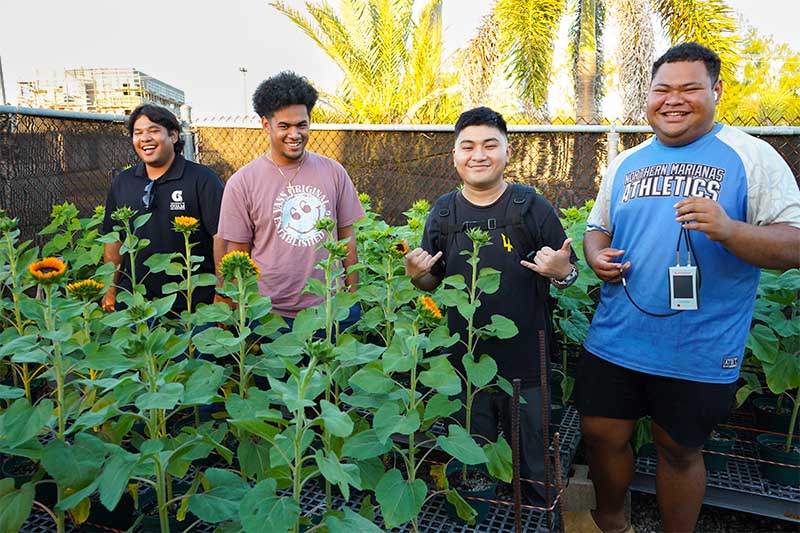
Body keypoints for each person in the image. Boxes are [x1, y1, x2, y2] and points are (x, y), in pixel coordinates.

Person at [573, 42, 800, 533]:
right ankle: (611, 523)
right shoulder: (626, 162)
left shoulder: (751, 156)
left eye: (690, 88)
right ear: (648, 96)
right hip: (617, 335)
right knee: (602, 434)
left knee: (679, 449)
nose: (673, 100)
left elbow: (794, 244)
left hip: (698, 346)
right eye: (662, 89)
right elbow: (598, 225)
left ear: (716, 91)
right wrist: (596, 255)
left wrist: (731, 230)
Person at [404, 106, 579, 504]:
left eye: (489, 145)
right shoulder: (444, 212)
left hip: (526, 363)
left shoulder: (530, 207)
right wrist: (417, 276)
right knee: (471, 459)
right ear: (454, 155)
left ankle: (538, 511)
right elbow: (432, 279)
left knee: (533, 456)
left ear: (507, 152)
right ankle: (477, 509)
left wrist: (561, 270)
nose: (477, 155)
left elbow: (568, 275)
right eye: (467, 146)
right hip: (464, 364)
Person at [215, 71, 364, 324]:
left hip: (330, 308)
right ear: (266, 125)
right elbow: (237, 251)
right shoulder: (243, 182)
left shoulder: (333, 172)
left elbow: (346, 237)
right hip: (269, 314)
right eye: (284, 126)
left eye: (301, 125)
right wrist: (235, 304)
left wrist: (353, 293)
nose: (294, 134)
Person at [101, 104, 224, 314]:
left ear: (174, 136)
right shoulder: (123, 182)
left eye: (154, 131)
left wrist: (222, 292)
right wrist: (110, 288)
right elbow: (114, 239)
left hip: (193, 306)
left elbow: (221, 237)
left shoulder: (201, 179)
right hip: (136, 305)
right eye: (138, 133)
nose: (145, 138)